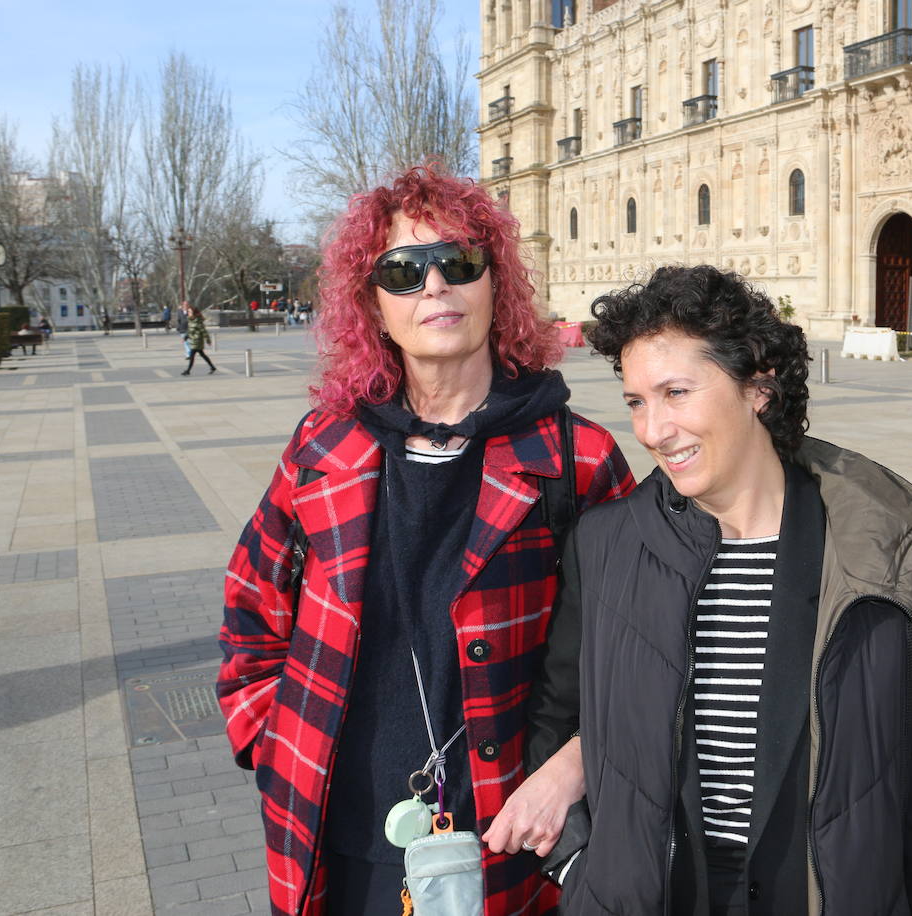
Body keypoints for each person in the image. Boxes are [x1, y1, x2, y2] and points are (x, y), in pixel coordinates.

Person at [489, 265, 912, 915]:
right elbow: (560, 719)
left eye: (676, 392)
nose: (652, 430)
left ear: (758, 386)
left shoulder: (882, 549)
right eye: (637, 400)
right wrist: (586, 867)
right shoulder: (607, 545)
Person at [216, 164, 635, 916]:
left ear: (494, 285)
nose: (435, 285)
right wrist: (270, 742)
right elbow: (252, 599)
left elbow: (643, 651)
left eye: (459, 262)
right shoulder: (324, 448)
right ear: (373, 307)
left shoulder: (578, 460)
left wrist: (574, 768)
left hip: (509, 836)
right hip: (333, 828)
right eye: (403, 271)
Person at [181, 305, 216, 375]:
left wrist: (208, 340)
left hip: (197, 341)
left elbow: (204, 331)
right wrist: (186, 337)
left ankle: (188, 371)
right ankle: (212, 367)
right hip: (193, 340)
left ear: (194, 313)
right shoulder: (191, 320)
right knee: (202, 355)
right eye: (188, 311)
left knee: (192, 355)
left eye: (190, 312)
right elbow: (190, 330)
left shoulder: (198, 321)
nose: (188, 313)